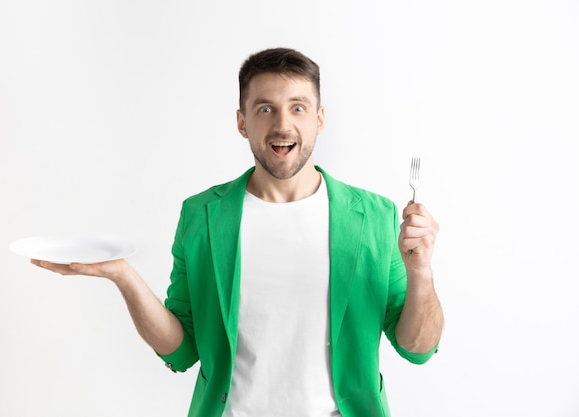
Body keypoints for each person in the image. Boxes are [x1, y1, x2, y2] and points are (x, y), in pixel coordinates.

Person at [32, 47, 444, 417]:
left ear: (319, 119)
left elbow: (417, 348)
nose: (283, 124)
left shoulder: (375, 216)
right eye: (265, 109)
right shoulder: (202, 215)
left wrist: (421, 271)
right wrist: (123, 276)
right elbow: (181, 349)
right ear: (242, 122)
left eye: (298, 108)